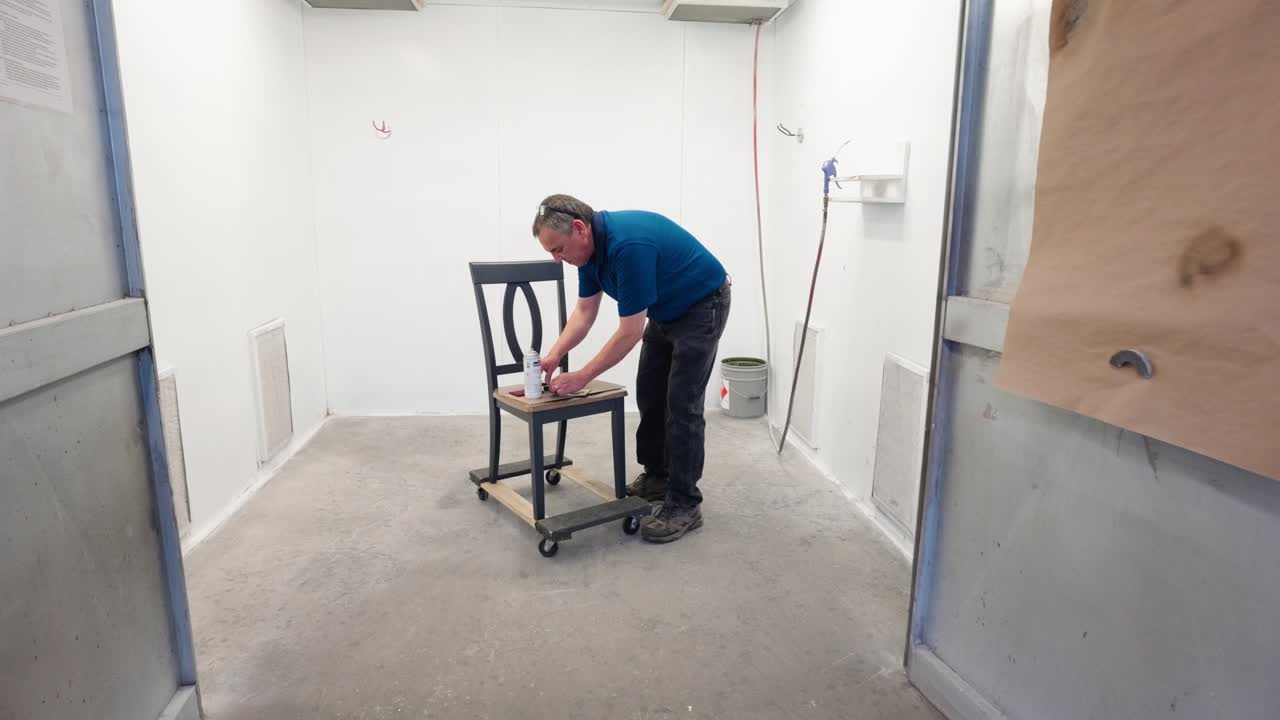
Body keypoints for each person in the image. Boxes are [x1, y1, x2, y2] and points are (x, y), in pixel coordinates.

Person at [533, 194, 730, 544]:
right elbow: (584, 313)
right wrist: (555, 354)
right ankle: (657, 476)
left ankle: (685, 503)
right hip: (667, 310)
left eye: (558, 249)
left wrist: (582, 376)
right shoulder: (588, 254)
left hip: (703, 304)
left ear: (580, 228)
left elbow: (629, 332)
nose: (557, 259)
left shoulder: (628, 246)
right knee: (650, 394)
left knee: (682, 404)